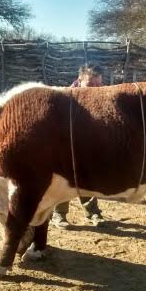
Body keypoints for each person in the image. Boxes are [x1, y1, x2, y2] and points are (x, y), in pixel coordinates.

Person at [50, 64, 106, 229]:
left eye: (98, 84)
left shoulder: (101, 97)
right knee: (63, 180)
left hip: (88, 145)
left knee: (88, 179)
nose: (95, 89)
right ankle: (58, 215)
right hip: (65, 145)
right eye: (91, 84)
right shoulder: (65, 97)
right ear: (80, 80)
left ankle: (93, 212)